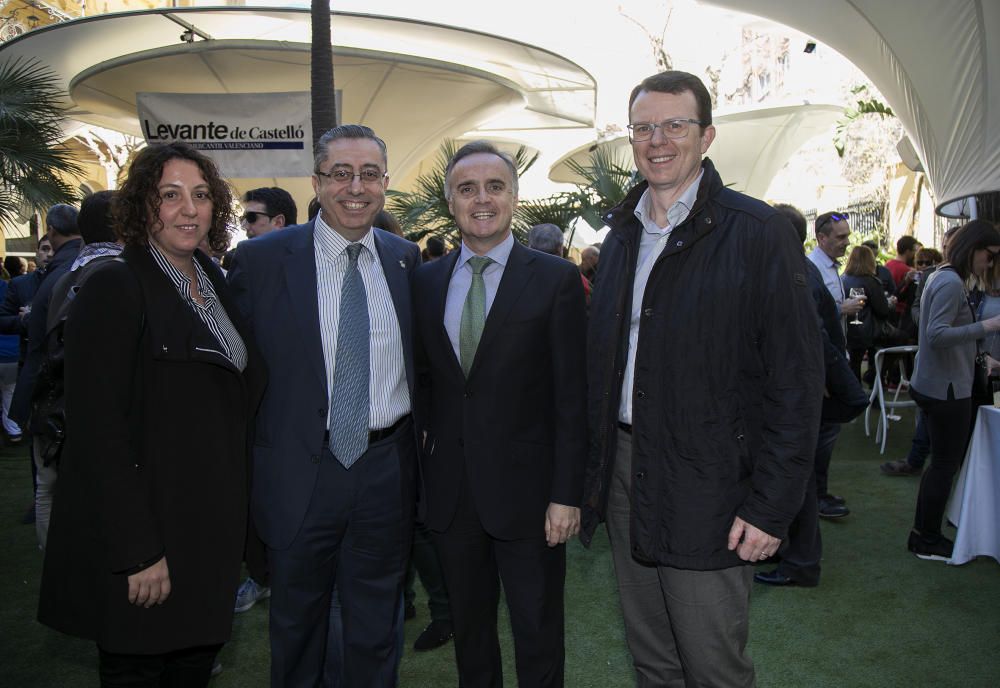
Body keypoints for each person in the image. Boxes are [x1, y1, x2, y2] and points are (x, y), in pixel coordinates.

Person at [582, 71, 822, 686]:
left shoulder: (757, 232)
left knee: (711, 665)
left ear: (706, 136)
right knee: (653, 660)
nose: (656, 140)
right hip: (628, 473)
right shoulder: (622, 234)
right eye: (643, 128)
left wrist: (772, 508)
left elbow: (796, 383)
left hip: (711, 482)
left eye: (674, 126)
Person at [37, 142, 265, 687]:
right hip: (149, 537)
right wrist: (138, 553)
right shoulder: (115, 286)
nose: (190, 209)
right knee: (138, 667)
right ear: (142, 206)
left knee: (192, 666)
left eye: (202, 195)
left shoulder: (212, 283)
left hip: (207, 534)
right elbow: (99, 432)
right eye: (171, 195)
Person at [228, 124, 420, 687]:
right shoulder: (260, 262)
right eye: (340, 174)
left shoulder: (406, 260)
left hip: (386, 470)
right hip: (299, 472)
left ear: (385, 183)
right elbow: (239, 377)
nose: (354, 187)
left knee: (377, 624)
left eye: (368, 174)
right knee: (297, 625)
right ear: (317, 182)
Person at [413, 140, 587, 688]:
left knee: (538, 633)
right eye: (467, 189)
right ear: (451, 201)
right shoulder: (424, 281)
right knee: (471, 635)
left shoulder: (555, 279)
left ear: (514, 197)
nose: (481, 199)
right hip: (452, 496)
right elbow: (425, 388)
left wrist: (566, 494)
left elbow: (571, 397)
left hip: (532, 498)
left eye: (494, 187)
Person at [754, 205, 867, 588]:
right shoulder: (802, 270)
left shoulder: (795, 273)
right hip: (808, 391)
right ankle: (790, 554)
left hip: (802, 394)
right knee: (798, 478)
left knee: (797, 481)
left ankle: (800, 562)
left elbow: (810, 339)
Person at [907, 220, 1000, 561]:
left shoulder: (944, 276)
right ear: (973, 248)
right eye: (989, 256)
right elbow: (937, 334)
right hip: (946, 389)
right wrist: (987, 325)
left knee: (942, 464)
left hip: (941, 384)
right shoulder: (949, 281)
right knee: (945, 465)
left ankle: (925, 533)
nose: (989, 264)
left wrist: (980, 356)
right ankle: (926, 537)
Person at [12, 203, 80, 549]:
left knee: (49, 484)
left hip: (54, 392)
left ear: (52, 232)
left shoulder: (67, 271)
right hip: (57, 393)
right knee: (50, 484)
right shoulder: (68, 271)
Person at [807, 211, 864, 518]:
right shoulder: (812, 267)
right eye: (840, 236)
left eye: (847, 235)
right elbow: (815, 315)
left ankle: (818, 494)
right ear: (822, 238)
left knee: (826, 434)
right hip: (823, 364)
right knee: (821, 434)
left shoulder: (828, 267)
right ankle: (815, 498)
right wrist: (845, 308)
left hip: (833, 358)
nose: (846, 241)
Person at [841, 244, 894, 383]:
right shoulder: (871, 281)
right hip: (869, 332)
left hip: (847, 329)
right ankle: (875, 377)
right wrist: (889, 303)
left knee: (854, 364)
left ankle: (859, 391)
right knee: (901, 338)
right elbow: (882, 311)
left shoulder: (843, 279)